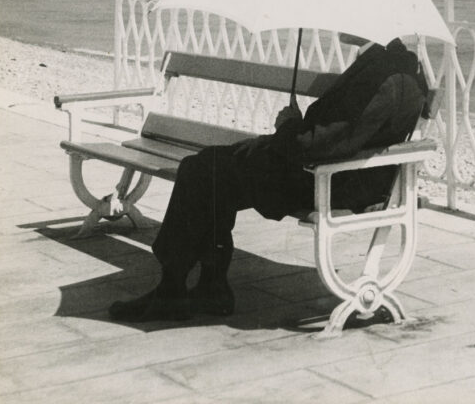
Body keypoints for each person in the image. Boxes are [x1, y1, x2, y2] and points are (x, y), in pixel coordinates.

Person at [108, 35, 427, 322]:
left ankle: (176, 288)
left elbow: (317, 144)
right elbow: (335, 136)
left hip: (327, 184)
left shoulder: (383, 77)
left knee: (202, 171)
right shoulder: (389, 65)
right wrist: (290, 131)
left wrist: (289, 124)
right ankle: (206, 286)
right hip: (329, 174)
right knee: (208, 168)